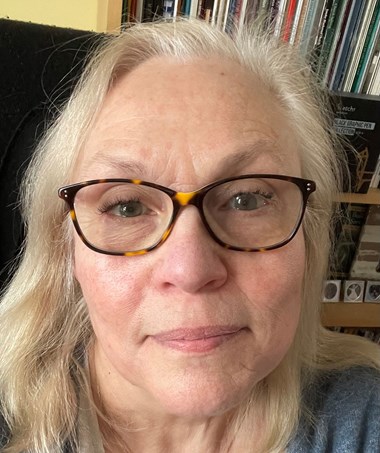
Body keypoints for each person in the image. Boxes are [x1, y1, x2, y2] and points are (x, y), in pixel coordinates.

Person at [0, 19, 379, 453]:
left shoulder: (364, 417)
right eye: (127, 207)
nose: (190, 269)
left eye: (247, 200)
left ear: (309, 241)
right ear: (66, 252)